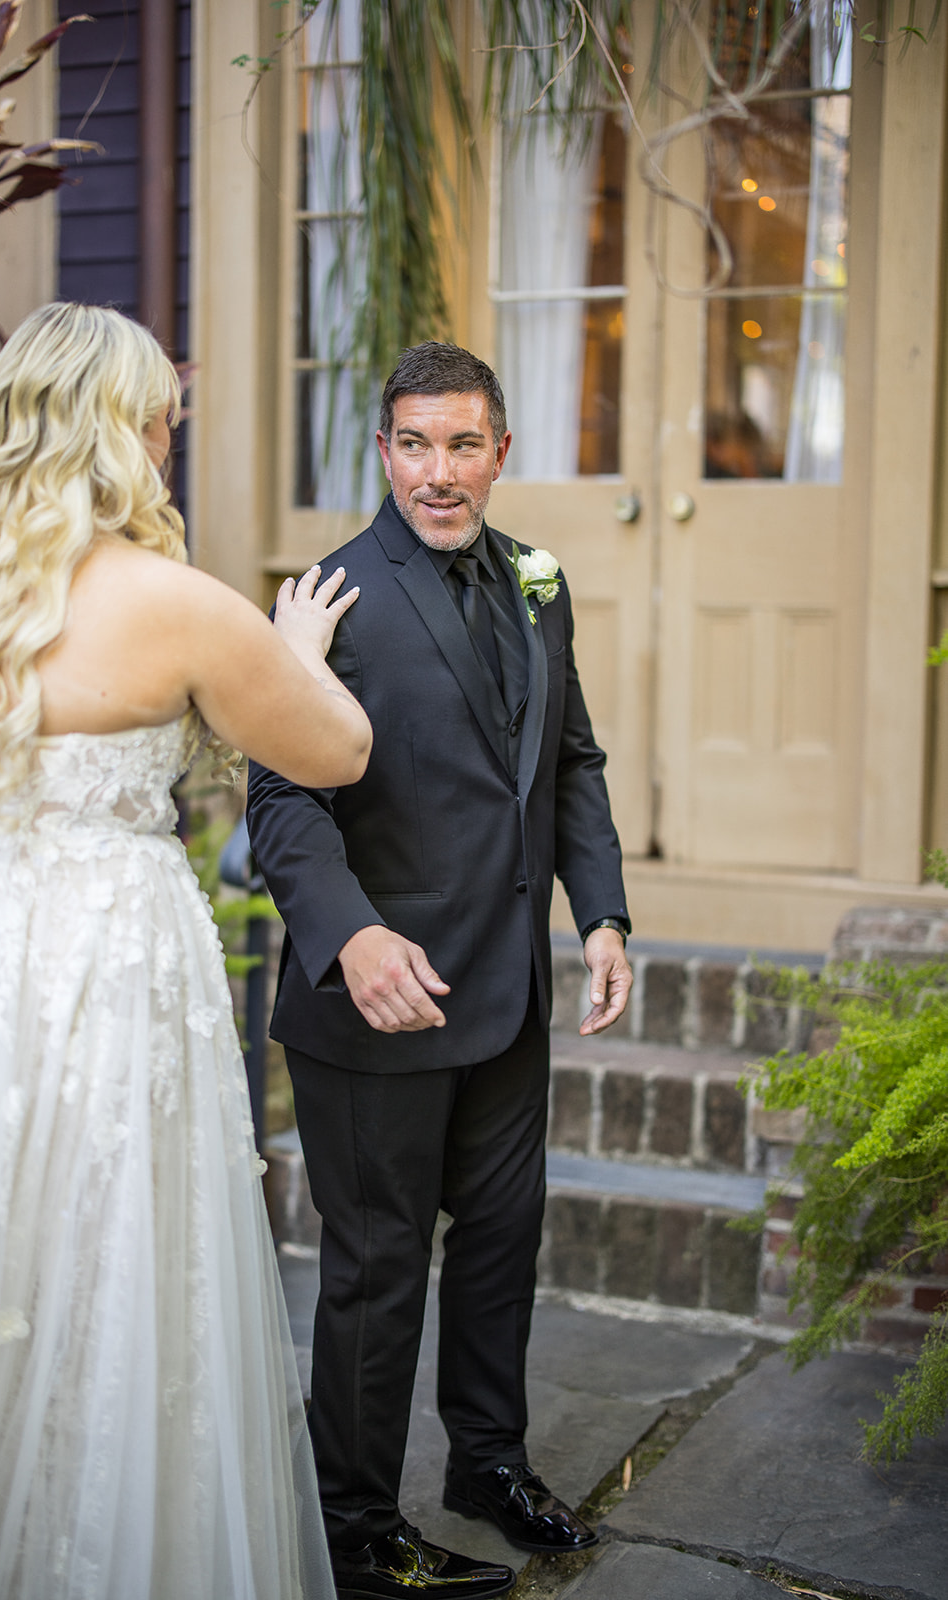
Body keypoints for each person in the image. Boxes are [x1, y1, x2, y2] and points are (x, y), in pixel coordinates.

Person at [0, 301, 372, 1600]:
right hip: (100, 975)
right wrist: (297, 648)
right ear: (114, 431)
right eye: (161, 417)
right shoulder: (172, 603)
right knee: (105, 1266)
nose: (171, 437)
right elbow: (333, 749)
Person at [246, 342, 632, 1600]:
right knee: (373, 1267)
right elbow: (279, 799)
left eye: (461, 444)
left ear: (499, 450)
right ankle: (354, 1528)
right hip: (377, 998)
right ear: (382, 451)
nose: (437, 472)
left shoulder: (538, 583)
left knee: (500, 1243)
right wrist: (350, 934)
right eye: (413, 444)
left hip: (507, 990)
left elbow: (569, 760)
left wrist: (604, 916)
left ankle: (487, 1463)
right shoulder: (325, 601)